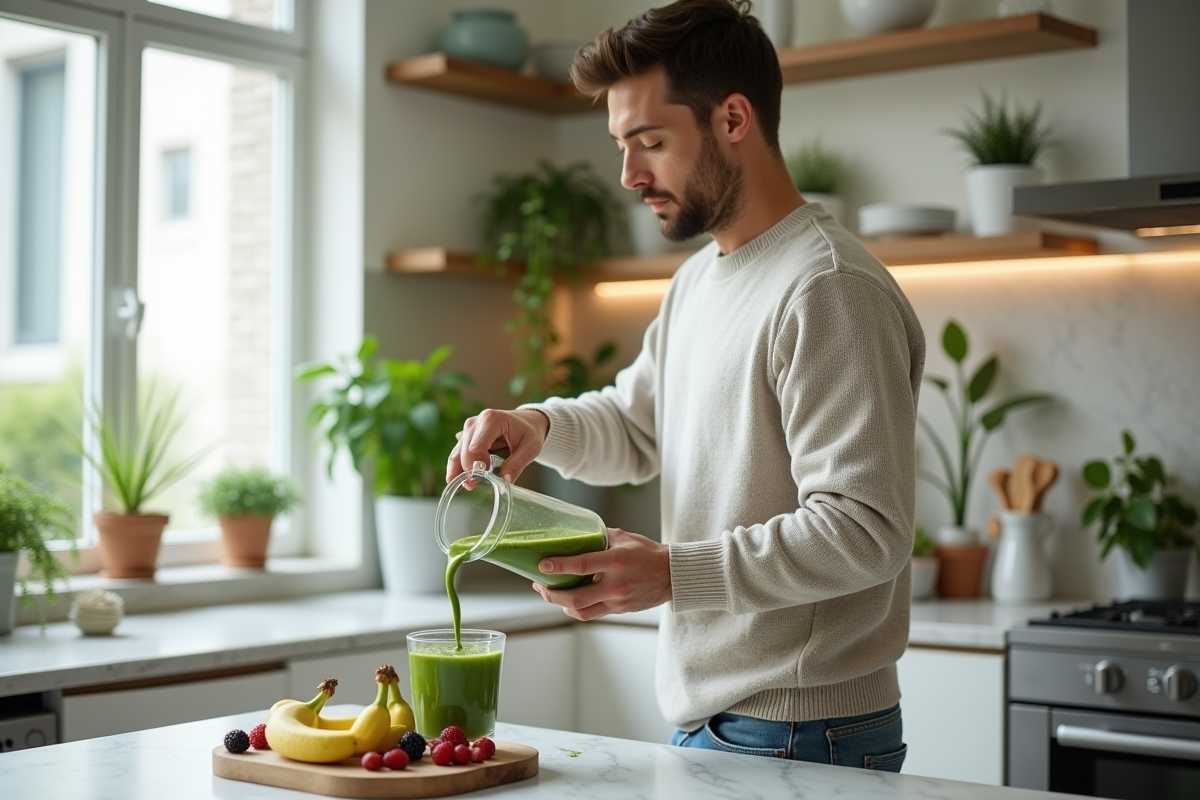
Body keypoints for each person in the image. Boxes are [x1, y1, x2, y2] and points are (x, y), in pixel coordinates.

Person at [447, 0, 925, 771]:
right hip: (716, 720)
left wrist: (674, 572)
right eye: (622, 145)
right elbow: (640, 427)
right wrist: (540, 424)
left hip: (805, 730)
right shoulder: (701, 280)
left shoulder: (827, 289)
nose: (629, 174)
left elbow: (864, 529)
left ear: (734, 119)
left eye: (651, 142)